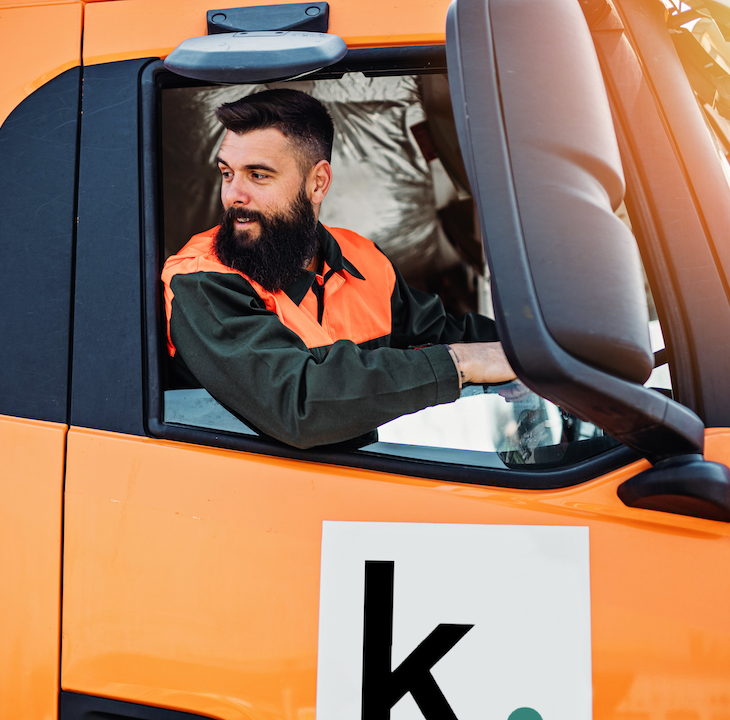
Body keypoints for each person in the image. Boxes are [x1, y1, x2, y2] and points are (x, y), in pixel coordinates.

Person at [161, 88, 516, 449]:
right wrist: (462, 364)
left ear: (318, 183)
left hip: (353, 474)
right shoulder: (199, 280)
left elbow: (444, 333)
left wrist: (531, 352)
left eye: (258, 175)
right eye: (227, 173)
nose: (233, 194)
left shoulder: (362, 260)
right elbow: (298, 404)